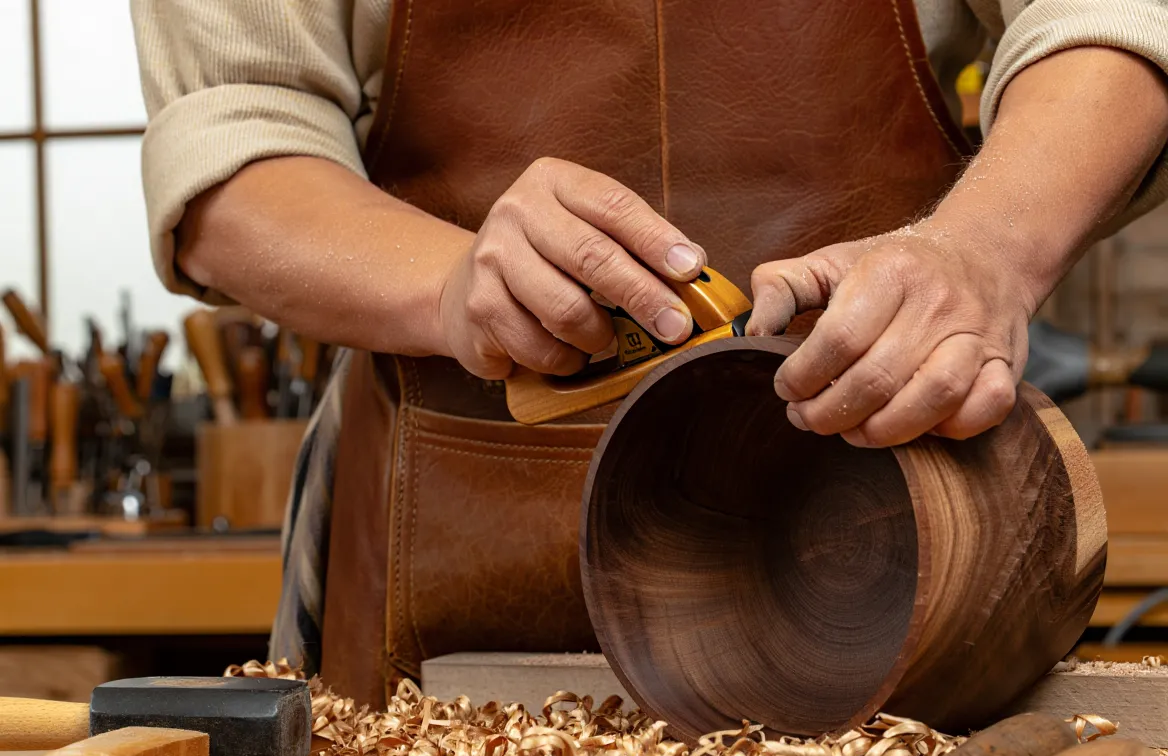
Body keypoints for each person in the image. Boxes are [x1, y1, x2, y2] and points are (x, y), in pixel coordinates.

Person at [132, 1, 1168, 704]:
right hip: (443, 570)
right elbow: (233, 137)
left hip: (891, 566)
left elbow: (1117, 16)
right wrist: (450, 287)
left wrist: (983, 248)